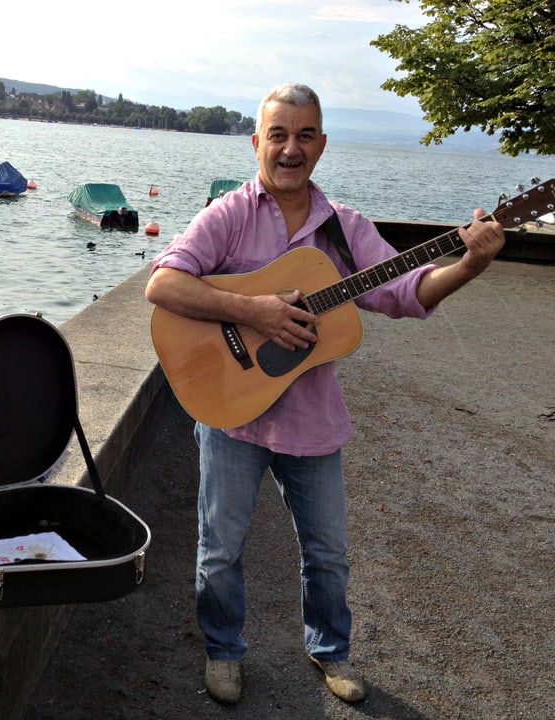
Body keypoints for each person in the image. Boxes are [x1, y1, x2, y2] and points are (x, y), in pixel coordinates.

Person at [144, 82, 505, 705]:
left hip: (311, 422)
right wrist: (252, 310)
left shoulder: (345, 229)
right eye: (278, 135)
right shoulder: (229, 214)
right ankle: (224, 651)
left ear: (321, 145)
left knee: (329, 554)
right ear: (257, 143)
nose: (290, 149)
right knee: (219, 550)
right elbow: (164, 285)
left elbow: (407, 293)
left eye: (304, 135)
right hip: (231, 417)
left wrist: (469, 264)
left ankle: (330, 650)